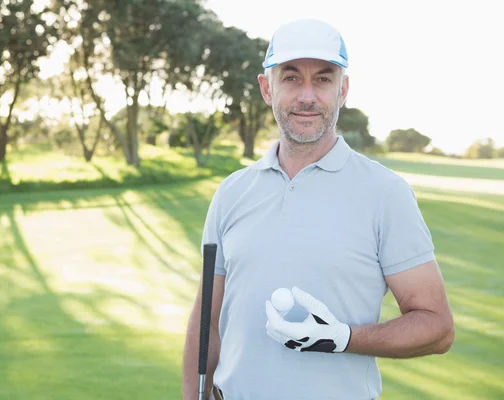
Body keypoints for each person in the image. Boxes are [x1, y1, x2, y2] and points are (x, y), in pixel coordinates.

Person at [182, 18, 455, 400]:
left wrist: (342, 338)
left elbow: (437, 327)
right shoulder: (231, 192)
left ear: (343, 90)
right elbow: (206, 323)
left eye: (323, 79)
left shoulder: (385, 193)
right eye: (291, 78)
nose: (307, 96)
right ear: (267, 88)